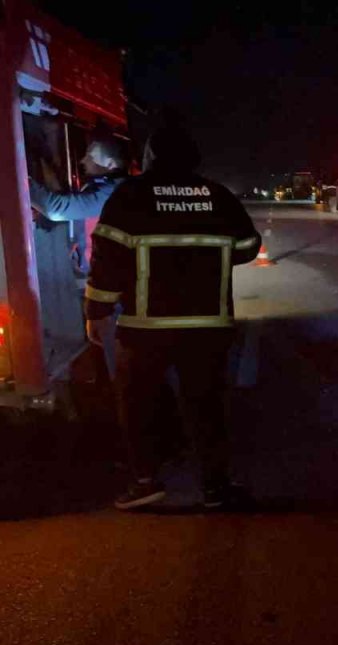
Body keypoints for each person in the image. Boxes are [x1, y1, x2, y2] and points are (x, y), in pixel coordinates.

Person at [83, 118, 262, 511]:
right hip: (207, 326)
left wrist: (97, 311)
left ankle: (145, 482)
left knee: (139, 405)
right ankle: (216, 487)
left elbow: (108, 256)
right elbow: (248, 246)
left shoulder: (131, 195)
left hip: (145, 328)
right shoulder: (217, 195)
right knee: (207, 406)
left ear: (150, 156)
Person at [29, 135, 130, 274]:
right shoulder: (104, 188)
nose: (84, 160)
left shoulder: (110, 193)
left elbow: (55, 209)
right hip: (91, 270)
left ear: (111, 164)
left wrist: (17, 177)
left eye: (90, 156)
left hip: (99, 275)